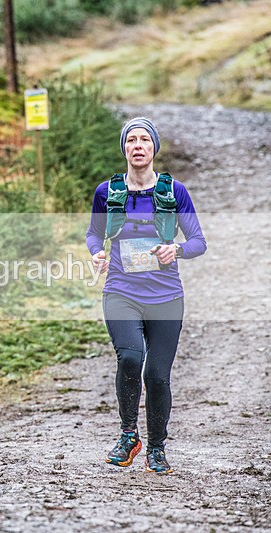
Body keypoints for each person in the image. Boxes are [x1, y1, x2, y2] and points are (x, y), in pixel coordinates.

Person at [86, 117, 206, 474]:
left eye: (144, 141)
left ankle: (156, 447)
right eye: (131, 141)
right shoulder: (107, 192)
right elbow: (93, 234)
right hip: (121, 290)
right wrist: (97, 252)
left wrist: (177, 251)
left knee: (157, 375)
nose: (138, 146)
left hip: (166, 296)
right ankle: (128, 435)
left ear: (153, 148)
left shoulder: (174, 191)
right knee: (129, 357)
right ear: (124, 148)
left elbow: (198, 241)